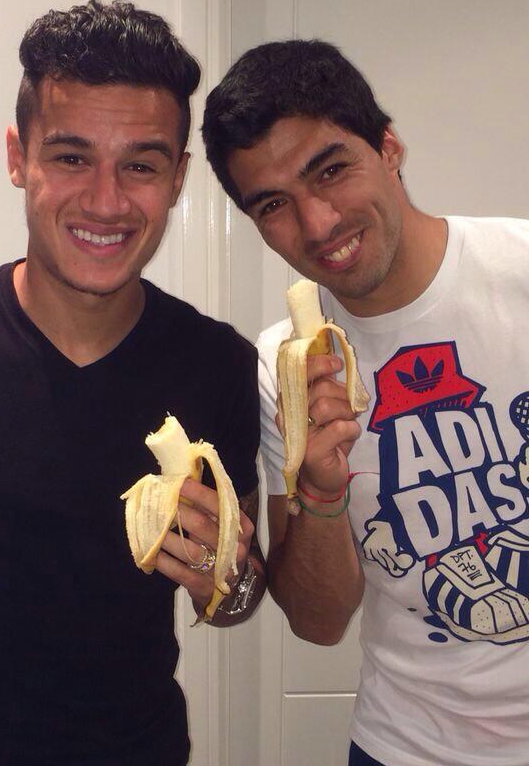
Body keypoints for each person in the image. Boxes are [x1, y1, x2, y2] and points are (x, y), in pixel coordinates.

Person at [0, 0, 265, 765]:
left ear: (177, 179)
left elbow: (235, 600)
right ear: (17, 157)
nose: (107, 201)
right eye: (71, 157)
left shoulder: (218, 363)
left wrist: (225, 576)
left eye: (140, 165)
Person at [202, 39, 529, 766]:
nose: (318, 225)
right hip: (406, 745)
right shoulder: (283, 366)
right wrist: (321, 494)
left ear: (389, 147)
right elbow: (319, 624)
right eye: (274, 205)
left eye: (331, 170)